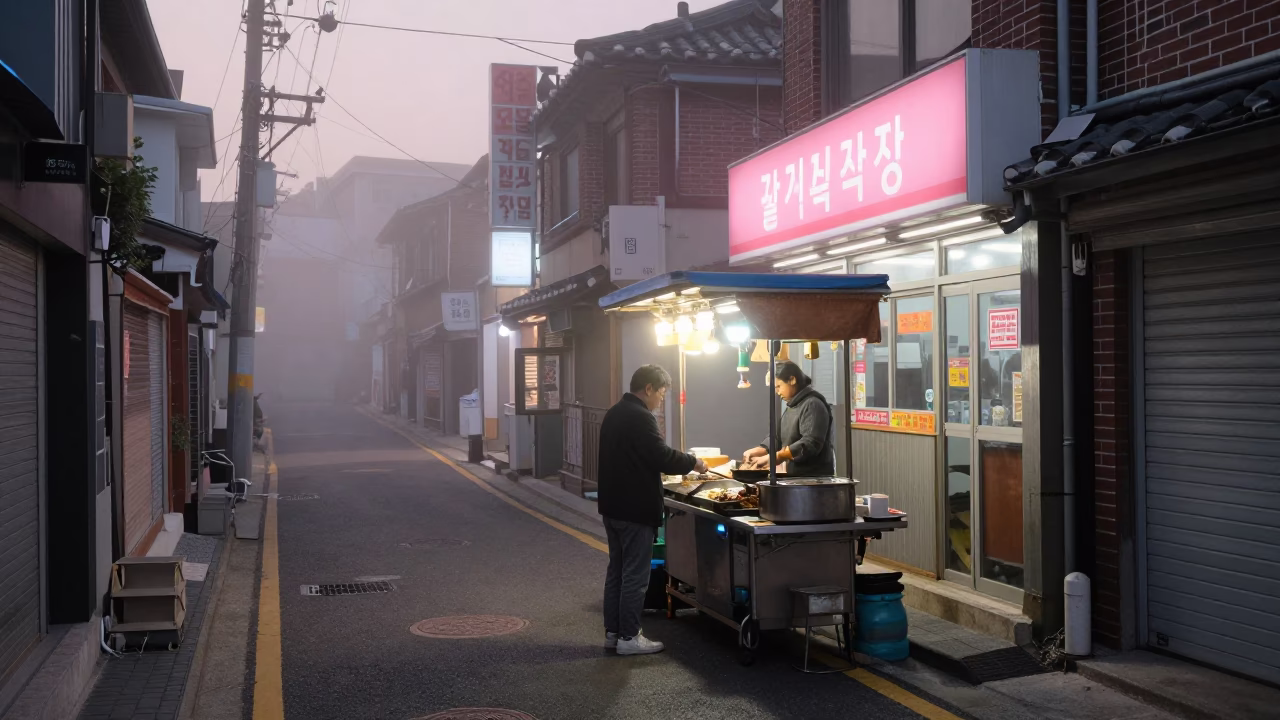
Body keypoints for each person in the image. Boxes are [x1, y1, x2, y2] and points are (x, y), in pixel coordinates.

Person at [597, 364, 707, 655]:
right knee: (635, 575)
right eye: (661, 392)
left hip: (612, 506)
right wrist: (692, 462)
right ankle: (630, 637)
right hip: (634, 508)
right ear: (648, 389)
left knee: (617, 572)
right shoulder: (640, 417)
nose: (661, 399)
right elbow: (660, 456)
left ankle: (613, 633)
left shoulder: (614, 413)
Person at [741, 361, 835, 476]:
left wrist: (777, 457)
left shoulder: (812, 404)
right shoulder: (793, 406)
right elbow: (777, 438)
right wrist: (760, 450)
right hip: (796, 476)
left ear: (792, 380)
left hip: (814, 479)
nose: (777, 392)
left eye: (779, 386)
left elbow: (810, 443)